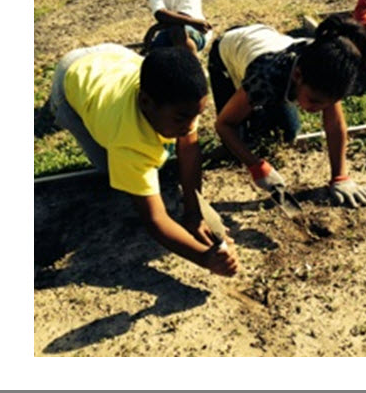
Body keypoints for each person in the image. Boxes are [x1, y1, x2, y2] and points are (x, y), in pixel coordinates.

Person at [49, 43, 238, 277]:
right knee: (110, 167)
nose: (190, 126)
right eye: (182, 118)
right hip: (71, 76)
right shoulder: (126, 140)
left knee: (161, 148)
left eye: (196, 116)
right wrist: (204, 257)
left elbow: (189, 149)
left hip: (114, 57)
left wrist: (194, 212)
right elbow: (154, 218)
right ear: (146, 102)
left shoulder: (182, 99)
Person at [208, 16, 366, 208]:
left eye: (326, 104)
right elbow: (223, 124)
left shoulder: (328, 68)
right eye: (314, 101)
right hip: (227, 53)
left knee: (288, 132)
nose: (318, 109)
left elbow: (335, 125)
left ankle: (256, 111)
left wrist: (340, 177)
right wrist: (256, 166)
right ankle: (253, 111)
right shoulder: (266, 77)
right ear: (297, 76)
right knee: (238, 141)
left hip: (266, 43)